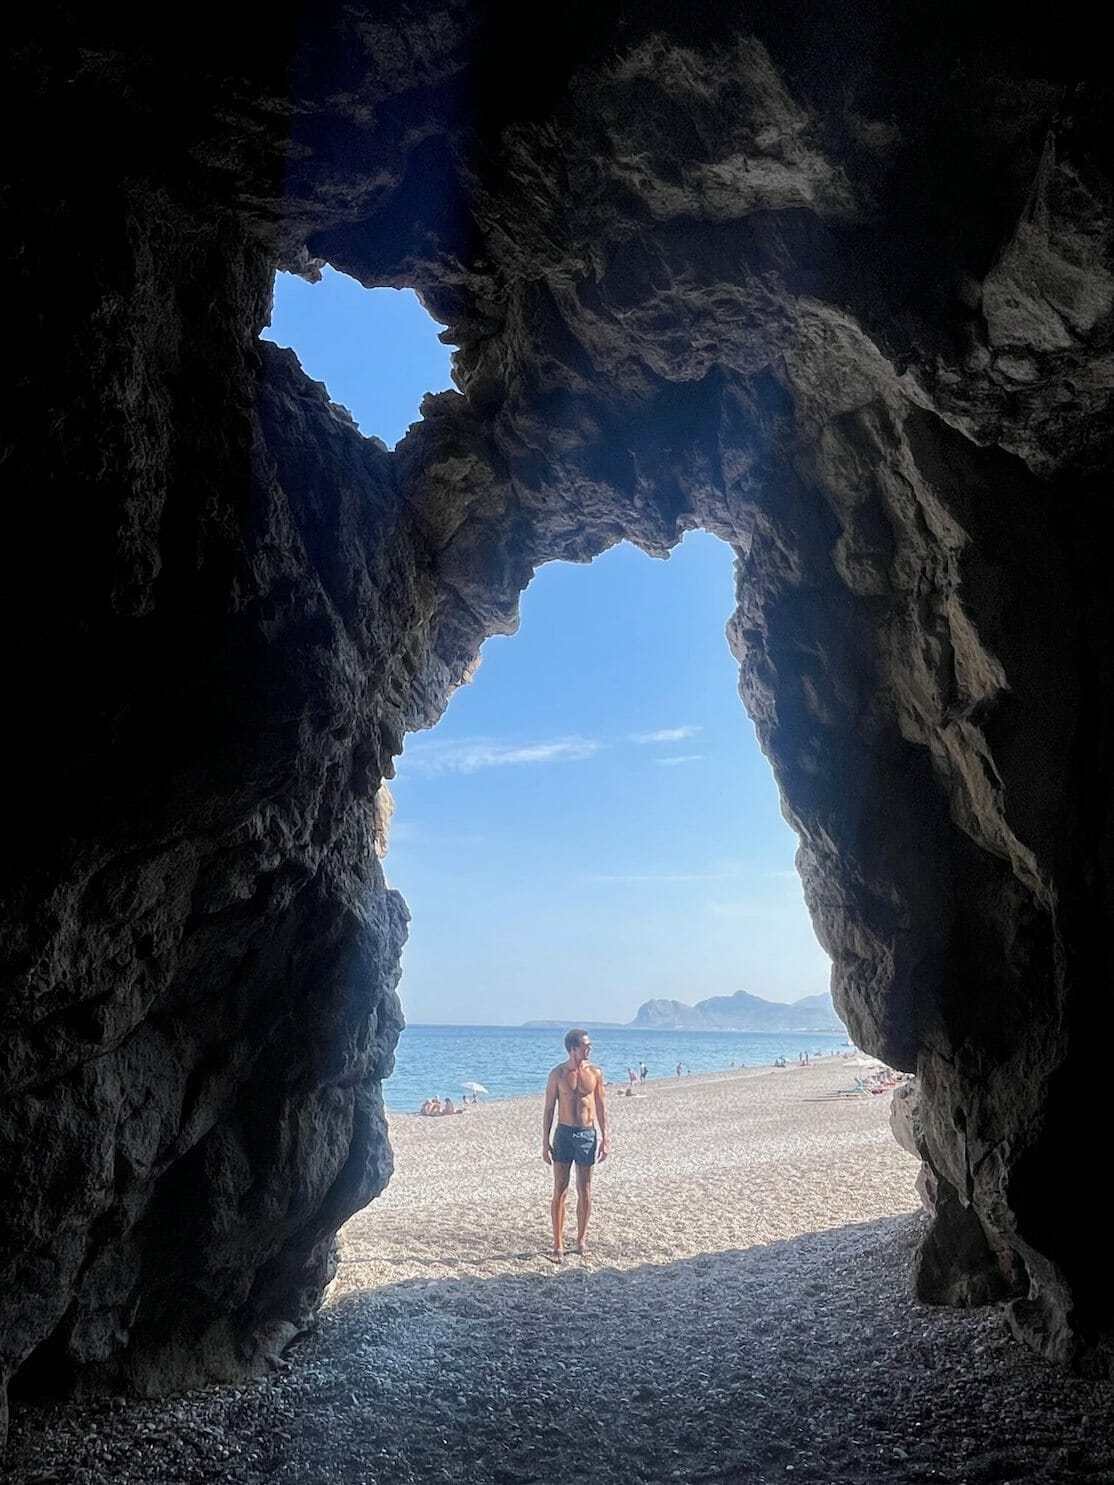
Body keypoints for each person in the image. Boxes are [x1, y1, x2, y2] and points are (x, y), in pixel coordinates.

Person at [542, 1029, 609, 1260]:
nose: (589, 1049)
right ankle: (558, 1243)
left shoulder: (595, 1073)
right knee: (560, 1189)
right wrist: (544, 1142)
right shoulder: (557, 1074)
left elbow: (600, 1107)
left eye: (589, 1045)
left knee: (586, 1189)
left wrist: (605, 1138)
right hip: (564, 1133)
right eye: (585, 1046)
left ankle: (581, 1240)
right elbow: (549, 1109)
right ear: (573, 1048)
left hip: (587, 1134)